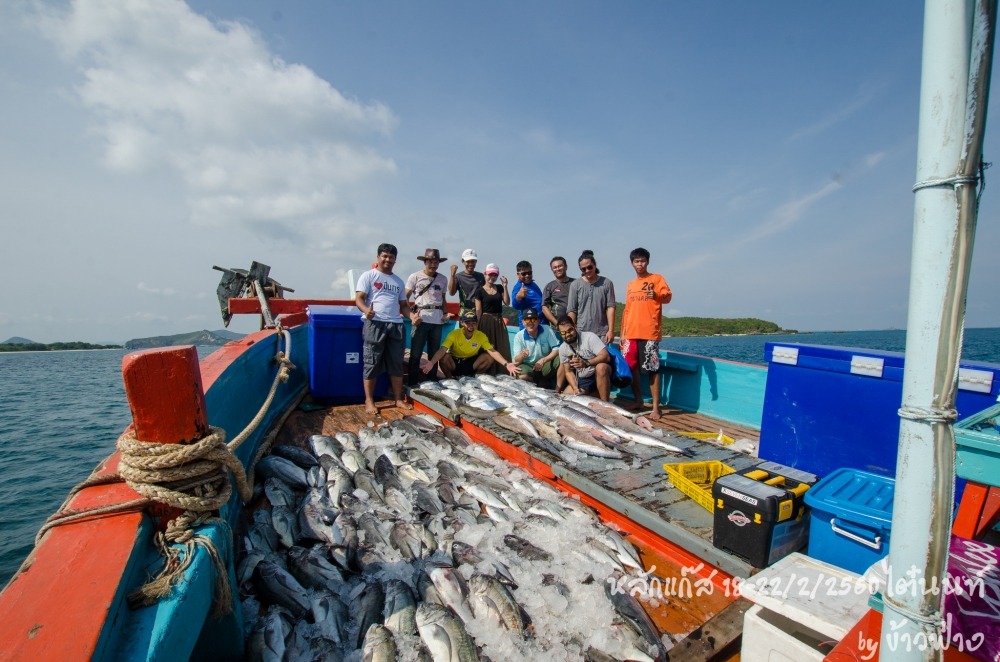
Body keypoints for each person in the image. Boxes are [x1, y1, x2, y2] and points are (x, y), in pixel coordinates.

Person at [355, 243, 412, 414]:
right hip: (375, 324)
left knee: (396, 363)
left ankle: (397, 399)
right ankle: (369, 400)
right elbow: (359, 299)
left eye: (391, 257)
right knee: (371, 362)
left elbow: (403, 305)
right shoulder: (368, 276)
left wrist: (413, 316)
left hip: (396, 325)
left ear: (395, 259)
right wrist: (367, 311)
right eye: (384, 256)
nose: (387, 259)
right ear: (378, 257)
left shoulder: (398, 281)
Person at [621, 247, 673, 420]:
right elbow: (627, 310)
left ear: (647, 262)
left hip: (649, 332)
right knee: (631, 367)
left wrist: (656, 294)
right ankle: (638, 400)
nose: (640, 264)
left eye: (642, 261)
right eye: (636, 261)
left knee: (652, 369)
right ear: (632, 263)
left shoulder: (656, 278)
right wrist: (622, 333)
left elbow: (667, 297)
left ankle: (656, 408)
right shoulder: (630, 285)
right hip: (630, 333)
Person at [423, 310, 519, 378]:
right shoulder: (454, 334)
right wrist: (432, 362)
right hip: (456, 363)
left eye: (473, 323)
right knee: (444, 357)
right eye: (467, 323)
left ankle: (475, 378)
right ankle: (450, 379)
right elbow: (443, 349)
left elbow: (492, 351)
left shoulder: (481, 336)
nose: (471, 326)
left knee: (489, 357)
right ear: (462, 323)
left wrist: (506, 364)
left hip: (472, 363)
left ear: (477, 324)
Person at [405, 248, 450, 386]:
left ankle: (431, 383)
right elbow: (404, 297)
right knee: (416, 354)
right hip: (421, 319)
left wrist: (445, 313)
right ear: (425, 261)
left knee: (433, 354)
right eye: (430, 261)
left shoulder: (443, 278)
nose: (433, 264)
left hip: (437, 320)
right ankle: (412, 383)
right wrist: (412, 315)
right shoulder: (415, 276)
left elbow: (443, 298)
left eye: (436, 262)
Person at [556, 315, 612, 401]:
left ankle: (605, 403)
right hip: (583, 378)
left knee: (601, 367)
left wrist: (586, 363)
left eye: (570, 330)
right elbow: (568, 371)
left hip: (597, 373)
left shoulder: (589, 337)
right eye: (563, 333)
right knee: (566, 398)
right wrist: (575, 388)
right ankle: (594, 394)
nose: (567, 335)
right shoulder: (563, 348)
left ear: (575, 326)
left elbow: (605, 356)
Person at [567, 251, 616, 344]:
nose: (587, 271)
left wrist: (611, 330)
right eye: (583, 269)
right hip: (581, 332)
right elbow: (571, 310)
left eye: (589, 267)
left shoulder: (607, 283)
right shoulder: (575, 285)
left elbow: (611, 307)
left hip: (602, 333)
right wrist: (571, 330)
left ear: (595, 265)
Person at [474, 263, 512, 370]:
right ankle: (486, 370)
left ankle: (502, 370)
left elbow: (507, 302)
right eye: (490, 274)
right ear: (485, 274)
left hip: (498, 321)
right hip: (485, 321)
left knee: (501, 346)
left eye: (495, 275)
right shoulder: (479, 291)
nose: (492, 277)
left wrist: (505, 286)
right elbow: (478, 310)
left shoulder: (499, 288)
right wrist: (477, 326)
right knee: (487, 347)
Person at [511, 308, 561, 387]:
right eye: (527, 320)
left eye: (533, 319)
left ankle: (557, 386)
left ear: (538, 321)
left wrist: (544, 360)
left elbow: (556, 349)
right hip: (528, 365)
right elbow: (516, 360)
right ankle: (537, 382)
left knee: (562, 358)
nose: (530, 322)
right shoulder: (519, 336)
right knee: (521, 376)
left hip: (545, 364)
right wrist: (521, 355)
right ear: (523, 322)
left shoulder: (546, 329)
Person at [449, 248, 486, 316]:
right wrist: (452, 275)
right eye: (468, 261)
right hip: (464, 312)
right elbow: (451, 293)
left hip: (479, 311)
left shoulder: (481, 276)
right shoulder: (458, 277)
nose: (470, 264)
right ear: (463, 261)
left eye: (473, 261)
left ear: (476, 261)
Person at [509, 260, 545, 329]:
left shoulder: (533, 284)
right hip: (529, 326)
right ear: (518, 274)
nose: (527, 275)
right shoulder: (518, 287)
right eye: (524, 274)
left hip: (541, 323)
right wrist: (518, 297)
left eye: (529, 273)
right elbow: (515, 305)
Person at [541, 256, 574, 328]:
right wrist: (557, 324)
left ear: (566, 267)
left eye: (560, 266)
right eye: (555, 267)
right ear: (552, 270)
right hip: (557, 328)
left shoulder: (576, 283)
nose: (558, 269)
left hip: (576, 326)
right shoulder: (549, 286)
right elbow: (544, 307)